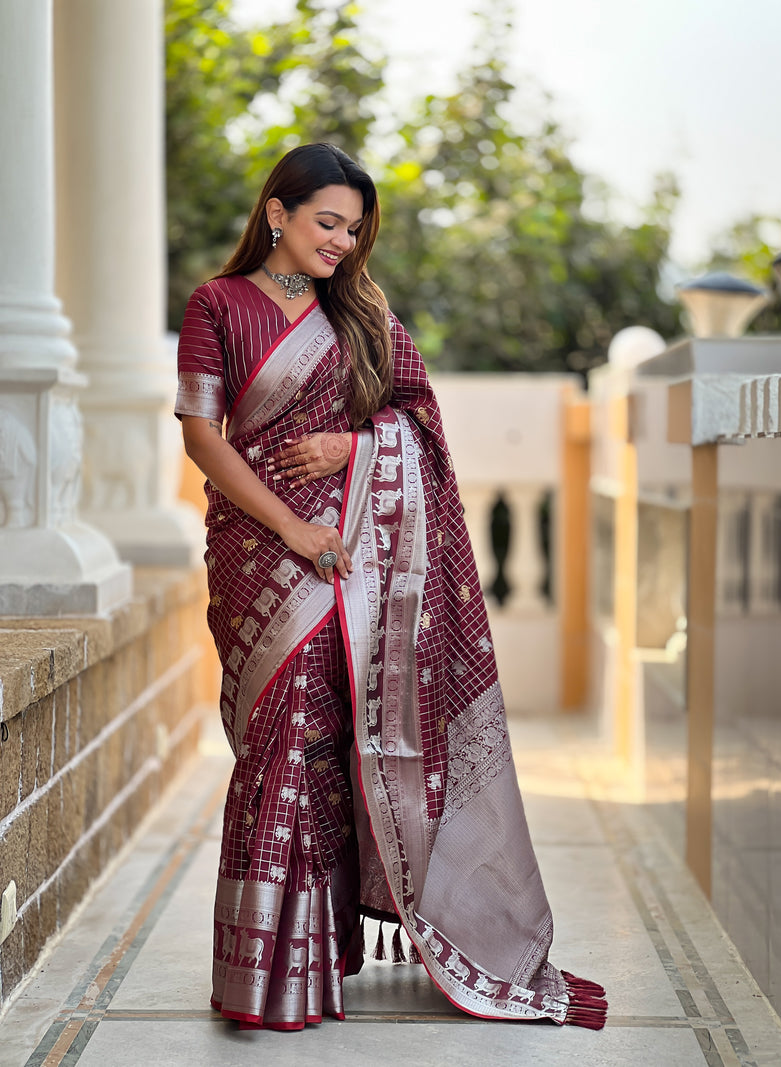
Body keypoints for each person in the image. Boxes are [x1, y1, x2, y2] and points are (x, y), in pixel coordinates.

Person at [175, 142, 606, 1032]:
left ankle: (315, 962)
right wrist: (290, 524)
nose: (340, 243)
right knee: (277, 741)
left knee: (329, 742)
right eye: (327, 223)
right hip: (261, 552)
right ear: (277, 214)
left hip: (354, 560)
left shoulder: (361, 312)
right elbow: (201, 435)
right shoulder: (216, 305)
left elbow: (420, 422)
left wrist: (352, 449)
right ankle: (261, 975)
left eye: (353, 230)